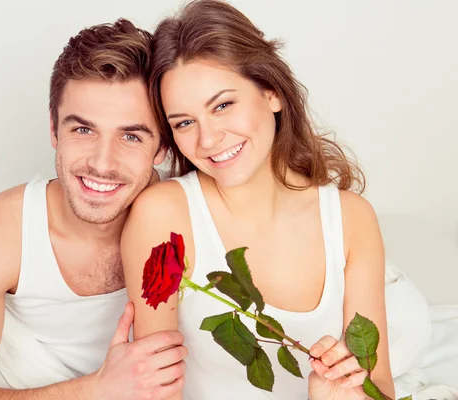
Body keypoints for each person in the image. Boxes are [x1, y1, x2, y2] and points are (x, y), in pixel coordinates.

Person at [122, 1, 394, 399]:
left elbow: (379, 384)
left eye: (223, 105)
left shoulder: (351, 219)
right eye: (184, 122)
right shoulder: (164, 215)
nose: (208, 139)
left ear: (272, 94)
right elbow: (155, 389)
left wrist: (341, 394)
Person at [0, 19, 188, 400]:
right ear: (53, 129)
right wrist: (97, 390)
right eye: (83, 130)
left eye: (131, 136)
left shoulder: (182, 219)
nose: (101, 162)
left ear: (162, 148)